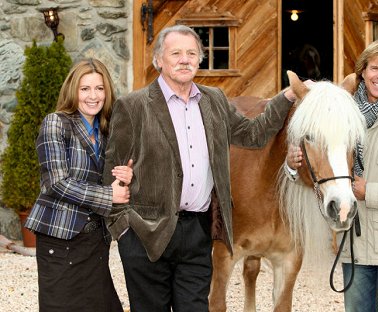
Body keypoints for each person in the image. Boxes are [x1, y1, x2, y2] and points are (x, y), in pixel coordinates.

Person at [102, 24, 298, 312]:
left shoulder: (214, 100)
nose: (185, 59)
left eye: (191, 53)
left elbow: (254, 134)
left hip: (197, 232)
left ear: (199, 59)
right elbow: (112, 171)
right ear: (159, 60)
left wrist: (287, 98)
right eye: (176, 53)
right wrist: (125, 234)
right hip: (147, 234)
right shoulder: (133, 106)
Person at [285, 40, 378, 312]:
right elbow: (322, 173)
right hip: (355, 246)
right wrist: (291, 165)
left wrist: (370, 192)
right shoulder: (341, 116)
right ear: (363, 72)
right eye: (374, 68)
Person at [25, 59, 133, 312]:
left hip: (95, 239)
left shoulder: (107, 130)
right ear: (73, 91)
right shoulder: (56, 123)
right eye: (85, 89)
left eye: (99, 88)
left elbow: (111, 177)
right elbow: (57, 182)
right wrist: (109, 194)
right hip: (60, 237)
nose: (93, 96)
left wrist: (125, 174)